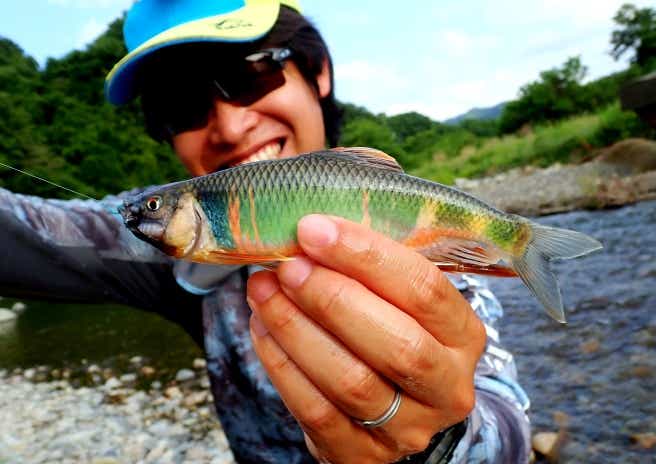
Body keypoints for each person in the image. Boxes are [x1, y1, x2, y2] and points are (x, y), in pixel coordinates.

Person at [0, 0, 531, 462]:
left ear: (316, 69)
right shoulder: (170, 240)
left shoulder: (419, 237)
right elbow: (25, 235)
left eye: (249, 73)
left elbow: (509, 432)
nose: (230, 127)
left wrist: (438, 445)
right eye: (180, 105)